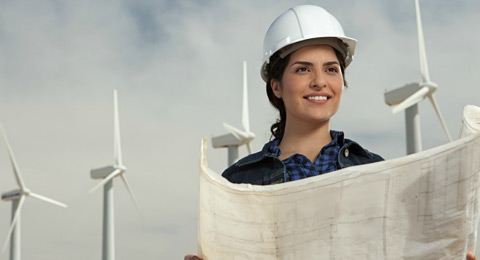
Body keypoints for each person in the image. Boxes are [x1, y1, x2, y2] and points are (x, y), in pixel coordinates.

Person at [186, 5, 477, 260]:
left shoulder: (375, 171)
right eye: (302, 70)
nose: (319, 82)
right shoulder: (237, 184)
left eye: (331, 69)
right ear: (276, 85)